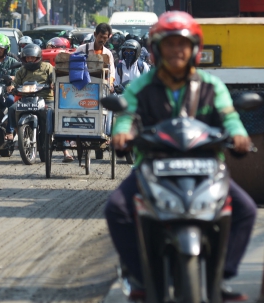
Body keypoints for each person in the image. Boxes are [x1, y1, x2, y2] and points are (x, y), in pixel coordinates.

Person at [105, 11, 256, 301]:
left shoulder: (213, 86)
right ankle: (139, 276)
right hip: (152, 166)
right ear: (157, 50)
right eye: (169, 44)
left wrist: (238, 135)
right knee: (117, 209)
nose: (176, 50)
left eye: (182, 44)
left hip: (207, 167)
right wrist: (121, 132)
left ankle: (221, 276)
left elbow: (229, 116)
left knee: (245, 210)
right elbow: (126, 114)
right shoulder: (141, 86)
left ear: (194, 49)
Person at [6, 44, 74, 162]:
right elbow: (15, 83)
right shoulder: (22, 70)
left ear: (38, 57)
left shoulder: (47, 67)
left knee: (54, 115)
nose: (30, 60)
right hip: (26, 99)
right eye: (27, 58)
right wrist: (12, 87)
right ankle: (18, 134)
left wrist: (53, 83)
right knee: (12, 109)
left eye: (32, 57)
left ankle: (65, 151)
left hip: (46, 99)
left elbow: (54, 77)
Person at [74, 23, 116, 93]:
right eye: (100, 36)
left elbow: (111, 72)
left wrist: (110, 84)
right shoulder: (82, 49)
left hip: (100, 90)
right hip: (82, 89)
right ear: (95, 34)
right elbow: (73, 67)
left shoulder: (108, 54)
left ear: (108, 38)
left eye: (105, 38)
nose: (102, 40)